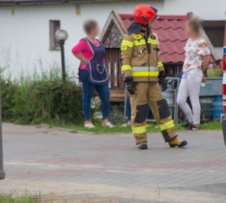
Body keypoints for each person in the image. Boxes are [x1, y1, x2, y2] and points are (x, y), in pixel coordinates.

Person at [121, 4, 186, 150]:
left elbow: (156, 57)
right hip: (137, 83)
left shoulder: (151, 37)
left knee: (162, 109)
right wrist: (128, 79)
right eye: (151, 20)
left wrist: (162, 73)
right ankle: (141, 140)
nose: (153, 22)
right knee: (139, 111)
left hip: (152, 82)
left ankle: (172, 138)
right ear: (144, 20)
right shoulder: (129, 37)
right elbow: (125, 60)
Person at [72, 20, 113, 129]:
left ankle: (105, 120)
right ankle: (87, 121)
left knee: (105, 95)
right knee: (87, 96)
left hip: (100, 72)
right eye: (96, 27)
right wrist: (82, 59)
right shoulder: (84, 42)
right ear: (92, 30)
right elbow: (74, 50)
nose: (98, 29)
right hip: (88, 72)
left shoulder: (98, 42)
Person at [178, 15, 211, 131]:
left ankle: (196, 123)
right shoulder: (189, 41)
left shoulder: (201, 42)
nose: (185, 29)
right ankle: (191, 120)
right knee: (180, 100)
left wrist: (201, 73)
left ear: (192, 28)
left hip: (194, 71)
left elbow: (206, 60)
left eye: (187, 27)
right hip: (186, 72)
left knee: (194, 98)